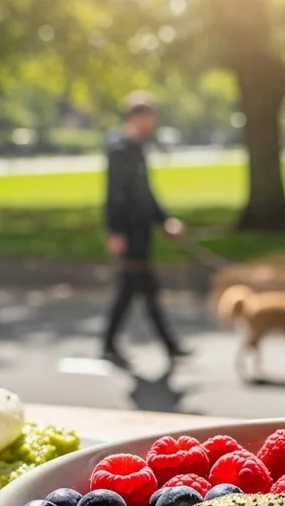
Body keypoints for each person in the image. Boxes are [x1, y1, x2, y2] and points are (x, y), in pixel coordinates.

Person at [100, 92, 189, 367]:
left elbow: (145, 193)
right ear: (135, 118)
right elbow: (114, 194)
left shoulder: (138, 148)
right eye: (149, 118)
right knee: (143, 289)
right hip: (128, 234)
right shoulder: (119, 150)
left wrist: (164, 221)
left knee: (131, 290)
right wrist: (114, 232)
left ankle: (111, 344)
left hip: (142, 232)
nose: (152, 124)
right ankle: (168, 344)